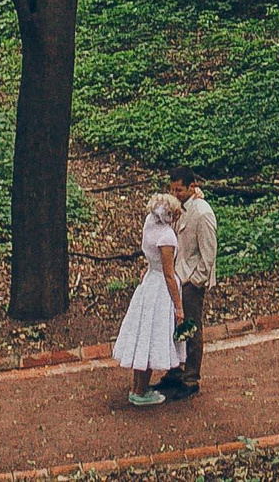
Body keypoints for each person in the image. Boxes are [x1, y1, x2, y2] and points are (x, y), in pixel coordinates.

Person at [114, 192, 184, 407]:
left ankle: (137, 386)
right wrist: (178, 306)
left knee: (143, 335)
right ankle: (141, 392)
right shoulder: (167, 237)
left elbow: (151, 257)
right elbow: (169, 274)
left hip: (148, 284)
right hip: (161, 290)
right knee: (153, 338)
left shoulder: (149, 225)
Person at [156, 170, 216, 399]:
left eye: (179, 189)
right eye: (172, 189)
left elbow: (208, 254)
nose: (174, 193)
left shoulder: (202, 213)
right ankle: (175, 371)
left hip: (190, 281)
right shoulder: (176, 208)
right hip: (176, 278)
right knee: (173, 325)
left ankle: (191, 378)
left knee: (192, 328)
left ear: (192, 187)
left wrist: (196, 280)